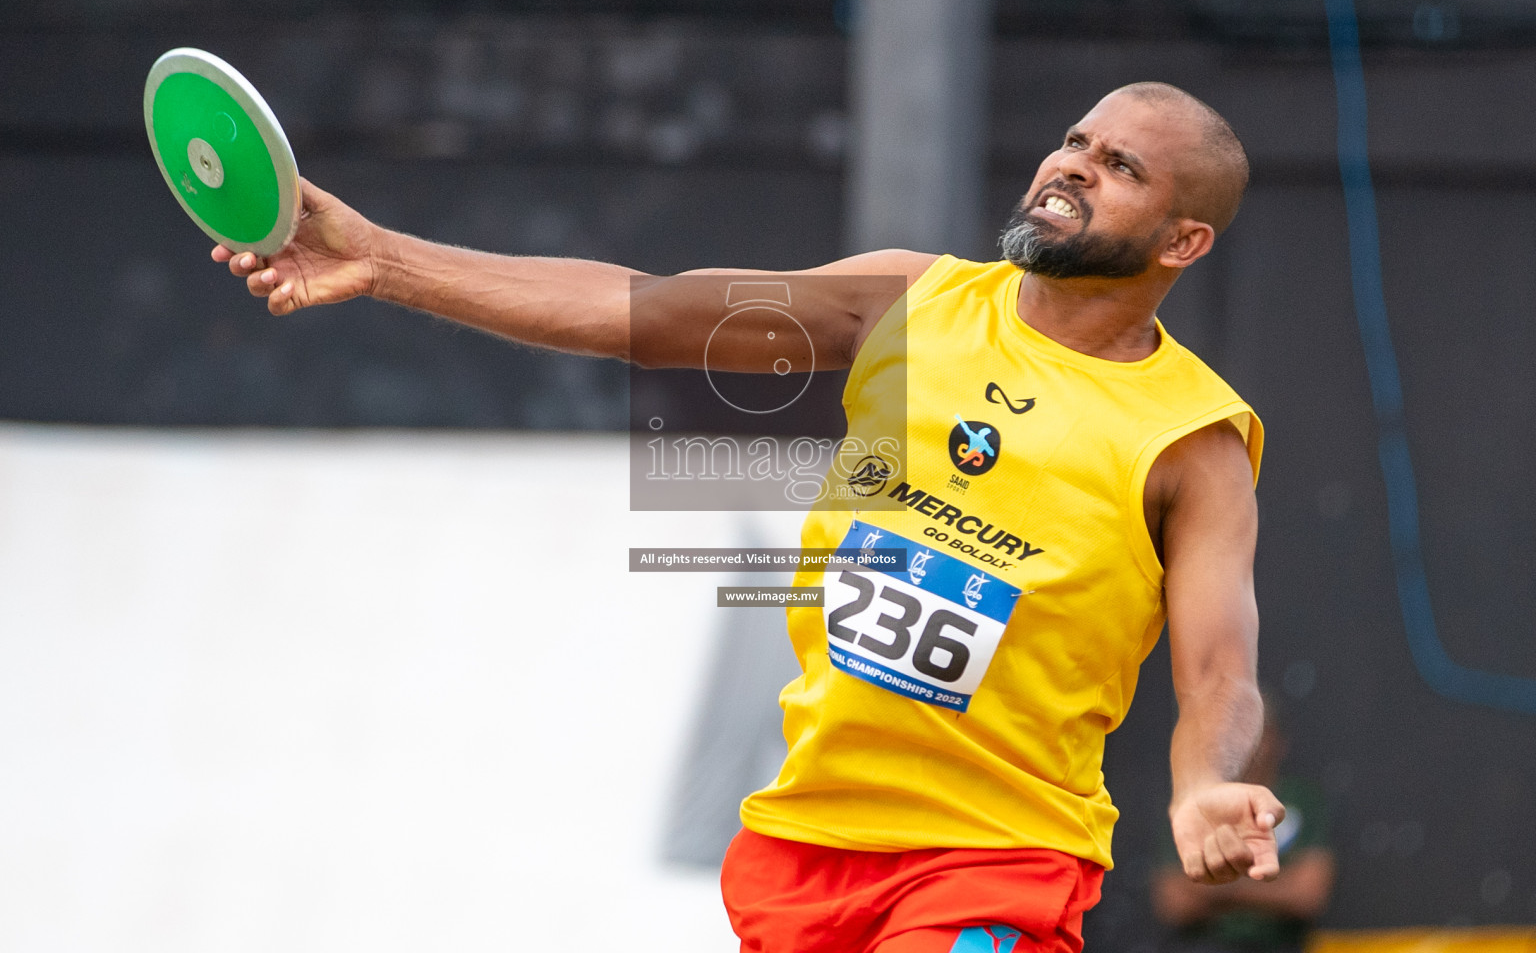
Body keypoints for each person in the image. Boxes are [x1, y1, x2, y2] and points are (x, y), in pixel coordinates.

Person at [212, 81, 1285, 953]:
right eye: (1075, 140)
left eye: (1119, 167)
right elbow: (644, 311)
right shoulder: (908, 301)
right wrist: (387, 261)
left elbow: (1218, 674)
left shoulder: (1193, 437)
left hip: (991, 860)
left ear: (1182, 242)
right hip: (807, 840)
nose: (1072, 168)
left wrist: (1206, 785)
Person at [1151, 703, 1335, 953]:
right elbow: (1174, 900)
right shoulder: (1197, 802)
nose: (1249, 743)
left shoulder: (1302, 800)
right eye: (1237, 732)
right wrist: (1273, 888)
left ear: (1279, 740)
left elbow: (1306, 895)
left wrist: (1217, 885)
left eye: (1258, 731)